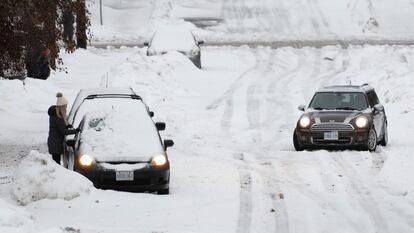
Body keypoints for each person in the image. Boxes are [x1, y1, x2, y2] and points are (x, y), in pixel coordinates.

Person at [47, 92, 80, 164]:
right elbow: (64, 132)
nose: (66, 108)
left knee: (56, 162)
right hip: (55, 144)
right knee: (56, 163)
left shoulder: (56, 115)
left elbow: (60, 128)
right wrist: (76, 131)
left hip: (54, 143)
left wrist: (67, 126)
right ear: (61, 107)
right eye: (65, 106)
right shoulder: (57, 118)